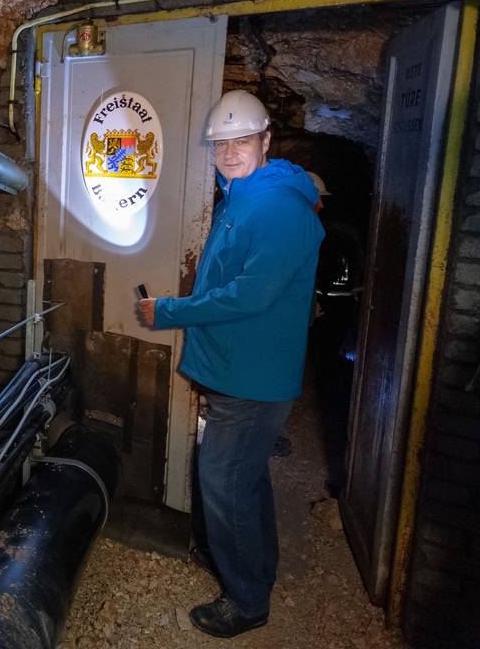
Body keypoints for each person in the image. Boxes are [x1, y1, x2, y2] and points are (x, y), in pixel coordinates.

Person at [136, 89, 324, 638]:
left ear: (266, 141)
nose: (229, 151)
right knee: (245, 478)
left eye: (242, 140)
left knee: (222, 481)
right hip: (239, 369)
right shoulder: (243, 193)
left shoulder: (277, 207)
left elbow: (250, 295)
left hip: (253, 378)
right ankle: (253, 568)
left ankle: (245, 600)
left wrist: (168, 310)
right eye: (221, 143)